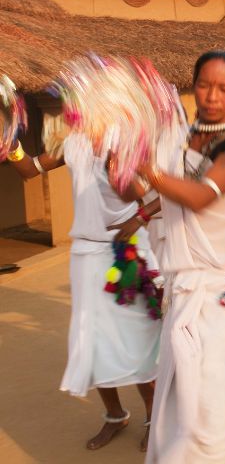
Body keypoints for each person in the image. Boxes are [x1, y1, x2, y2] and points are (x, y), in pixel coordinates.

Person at [141, 50, 225, 463]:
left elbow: (200, 196)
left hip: (223, 292)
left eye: (224, 88)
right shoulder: (178, 140)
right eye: (204, 85)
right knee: (195, 399)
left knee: (213, 404)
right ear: (192, 84)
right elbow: (149, 195)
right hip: (186, 290)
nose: (212, 96)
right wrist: (121, 165)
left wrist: (145, 168)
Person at [5, 134, 160, 452]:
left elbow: (154, 190)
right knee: (92, 338)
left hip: (126, 249)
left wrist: (135, 208)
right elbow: (30, 169)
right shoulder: (72, 142)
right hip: (87, 253)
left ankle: (154, 417)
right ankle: (115, 416)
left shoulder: (128, 138)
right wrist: (11, 145)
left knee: (138, 339)